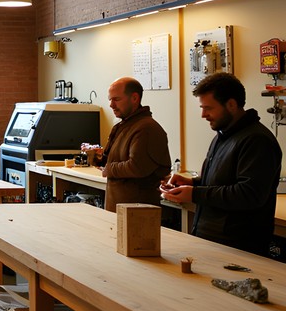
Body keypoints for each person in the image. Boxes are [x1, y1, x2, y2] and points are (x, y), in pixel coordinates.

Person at [161, 72, 282, 255]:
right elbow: (221, 182)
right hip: (212, 240)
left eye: (208, 108)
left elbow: (249, 194)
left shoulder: (257, 140)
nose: (203, 115)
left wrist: (194, 194)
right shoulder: (223, 135)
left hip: (238, 247)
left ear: (231, 105)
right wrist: (191, 183)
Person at [100, 77, 171, 211]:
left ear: (134, 98)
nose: (111, 105)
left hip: (137, 215)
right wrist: (99, 158)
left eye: (116, 99)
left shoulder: (146, 128)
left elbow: (138, 166)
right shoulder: (124, 125)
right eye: (110, 99)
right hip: (119, 210)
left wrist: (109, 169)